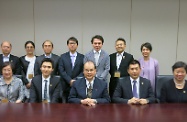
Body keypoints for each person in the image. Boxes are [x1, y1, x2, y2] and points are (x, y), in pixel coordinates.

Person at [58, 37, 84, 102]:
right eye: (70, 43)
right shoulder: (62, 56)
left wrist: (75, 80)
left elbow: (83, 70)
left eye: (74, 43)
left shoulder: (82, 57)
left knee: (76, 104)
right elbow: (61, 70)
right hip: (65, 84)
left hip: (78, 84)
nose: (72, 45)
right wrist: (69, 80)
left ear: (77, 45)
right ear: (68, 45)